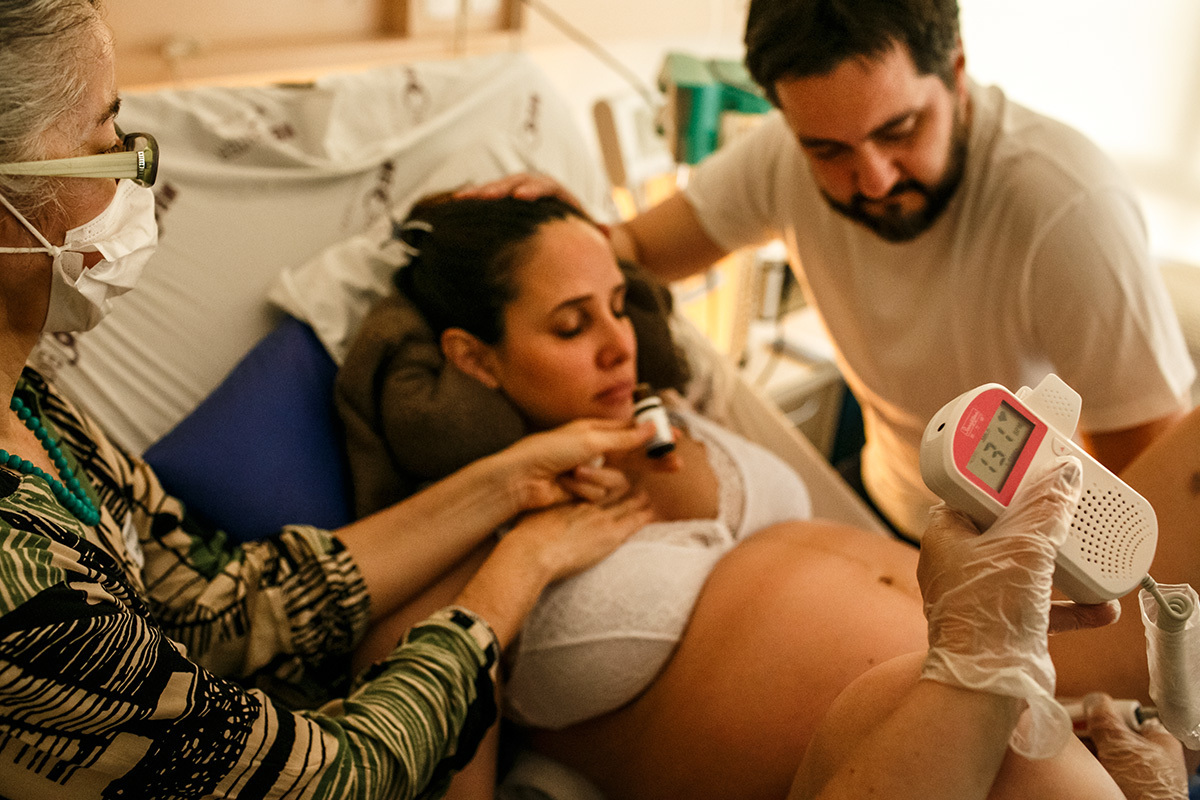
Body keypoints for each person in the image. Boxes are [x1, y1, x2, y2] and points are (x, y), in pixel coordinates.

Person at [0, 2, 661, 797]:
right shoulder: (19, 584)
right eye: (104, 148)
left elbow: (216, 608)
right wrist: (515, 572)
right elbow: (332, 779)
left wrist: (512, 480)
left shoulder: (34, 408)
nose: (137, 177)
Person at [336, 192, 1188, 799]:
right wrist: (523, 547)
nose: (615, 345)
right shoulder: (450, 577)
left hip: (1048, 659)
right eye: (570, 325)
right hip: (909, 757)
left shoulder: (677, 414)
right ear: (474, 359)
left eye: (619, 307)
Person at [469, 0, 1196, 542]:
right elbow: (637, 247)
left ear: (958, 72)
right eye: (829, 151)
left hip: (1028, 546)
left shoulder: (1065, 210)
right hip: (890, 500)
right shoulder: (782, 160)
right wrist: (558, 225)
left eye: (899, 131)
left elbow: (1144, 497)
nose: (872, 179)